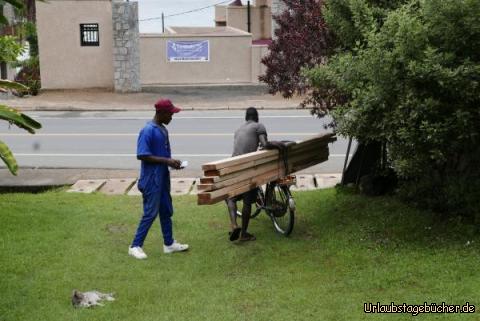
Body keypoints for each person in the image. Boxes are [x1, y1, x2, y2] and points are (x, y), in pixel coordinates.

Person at [128, 98, 189, 260]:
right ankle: (135, 245)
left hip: (162, 178)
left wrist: (173, 163)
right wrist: (167, 161)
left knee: (166, 210)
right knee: (150, 212)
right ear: (160, 113)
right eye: (170, 114)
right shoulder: (148, 130)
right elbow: (141, 154)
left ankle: (168, 244)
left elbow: (163, 156)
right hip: (151, 180)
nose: (171, 117)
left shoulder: (162, 129)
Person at [226, 107, 272, 242]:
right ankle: (244, 234)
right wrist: (276, 145)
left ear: (246, 118)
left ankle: (234, 225)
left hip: (234, 166)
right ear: (256, 117)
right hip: (247, 166)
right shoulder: (259, 126)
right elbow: (265, 144)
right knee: (247, 201)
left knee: (231, 198)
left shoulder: (238, 130)